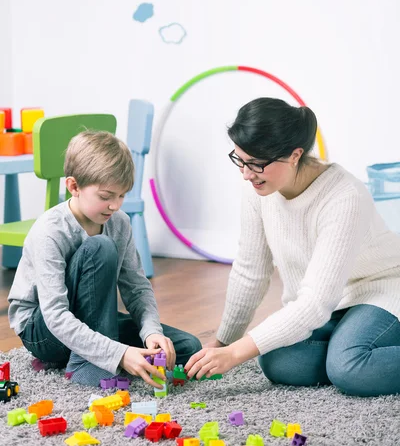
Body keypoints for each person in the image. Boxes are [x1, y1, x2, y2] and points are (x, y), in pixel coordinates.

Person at [185, 97, 400, 396]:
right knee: (277, 359)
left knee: (348, 368)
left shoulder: (344, 196)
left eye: (257, 164)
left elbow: (314, 302)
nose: (246, 174)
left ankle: (350, 351)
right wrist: (224, 342)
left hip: (381, 288)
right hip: (332, 303)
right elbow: (251, 272)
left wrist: (235, 355)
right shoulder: (259, 190)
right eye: (240, 160)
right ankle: (351, 344)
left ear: (295, 155)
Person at [8, 130, 201, 387]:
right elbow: (54, 315)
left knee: (187, 348)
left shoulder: (119, 223)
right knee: (100, 247)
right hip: (43, 331)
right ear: (74, 186)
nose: (116, 206)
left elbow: (137, 287)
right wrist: (120, 353)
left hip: (93, 318)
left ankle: (96, 352)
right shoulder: (50, 231)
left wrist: (151, 332)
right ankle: (85, 365)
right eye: (106, 197)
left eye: (121, 195)